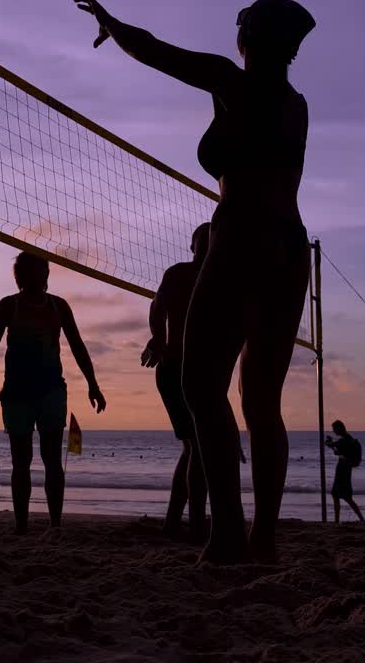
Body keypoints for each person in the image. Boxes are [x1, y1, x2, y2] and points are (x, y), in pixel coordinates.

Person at [74, 0, 314, 564]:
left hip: (244, 235)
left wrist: (113, 23)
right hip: (290, 243)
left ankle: (228, 534)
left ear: (249, 36)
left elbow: (158, 53)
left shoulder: (231, 80)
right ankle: (264, 541)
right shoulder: (296, 102)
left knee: (201, 387)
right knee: (262, 403)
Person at [0, 252, 107, 534]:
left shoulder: (58, 306)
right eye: (26, 273)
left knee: (49, 460)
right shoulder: (9, 306)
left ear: (44, 276)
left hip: (49, 391)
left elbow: (78, 346)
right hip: (18, 394)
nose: (30, 279)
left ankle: (51, 523)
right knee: (24, 462)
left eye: (35, 273)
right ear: (21, 278)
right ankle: (23, 524)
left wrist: (94, 384)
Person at [142, 223, 211, 539]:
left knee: (193, 447)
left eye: (215, 236)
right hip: (176, 367)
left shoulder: (223, 276)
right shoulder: (180, 273)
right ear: (192, 246)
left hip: (197, 369)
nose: (209, 242)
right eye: (203, 239)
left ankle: (175, 521)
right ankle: (195, 522)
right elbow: (157, 308)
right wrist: (158, 338)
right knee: (198, 446)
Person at [326, 420, 365, 523]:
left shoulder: (345, 440)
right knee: (340, 495)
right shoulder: (348, 439)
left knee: (343, 496)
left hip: (342, 471)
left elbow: (336, 448)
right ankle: (340, 520)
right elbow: (337, 448)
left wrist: (330, 444)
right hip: (345, 470)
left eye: (334, 429)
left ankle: (359, 519)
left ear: (339, 428)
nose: (334, 431)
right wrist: (332, 445)